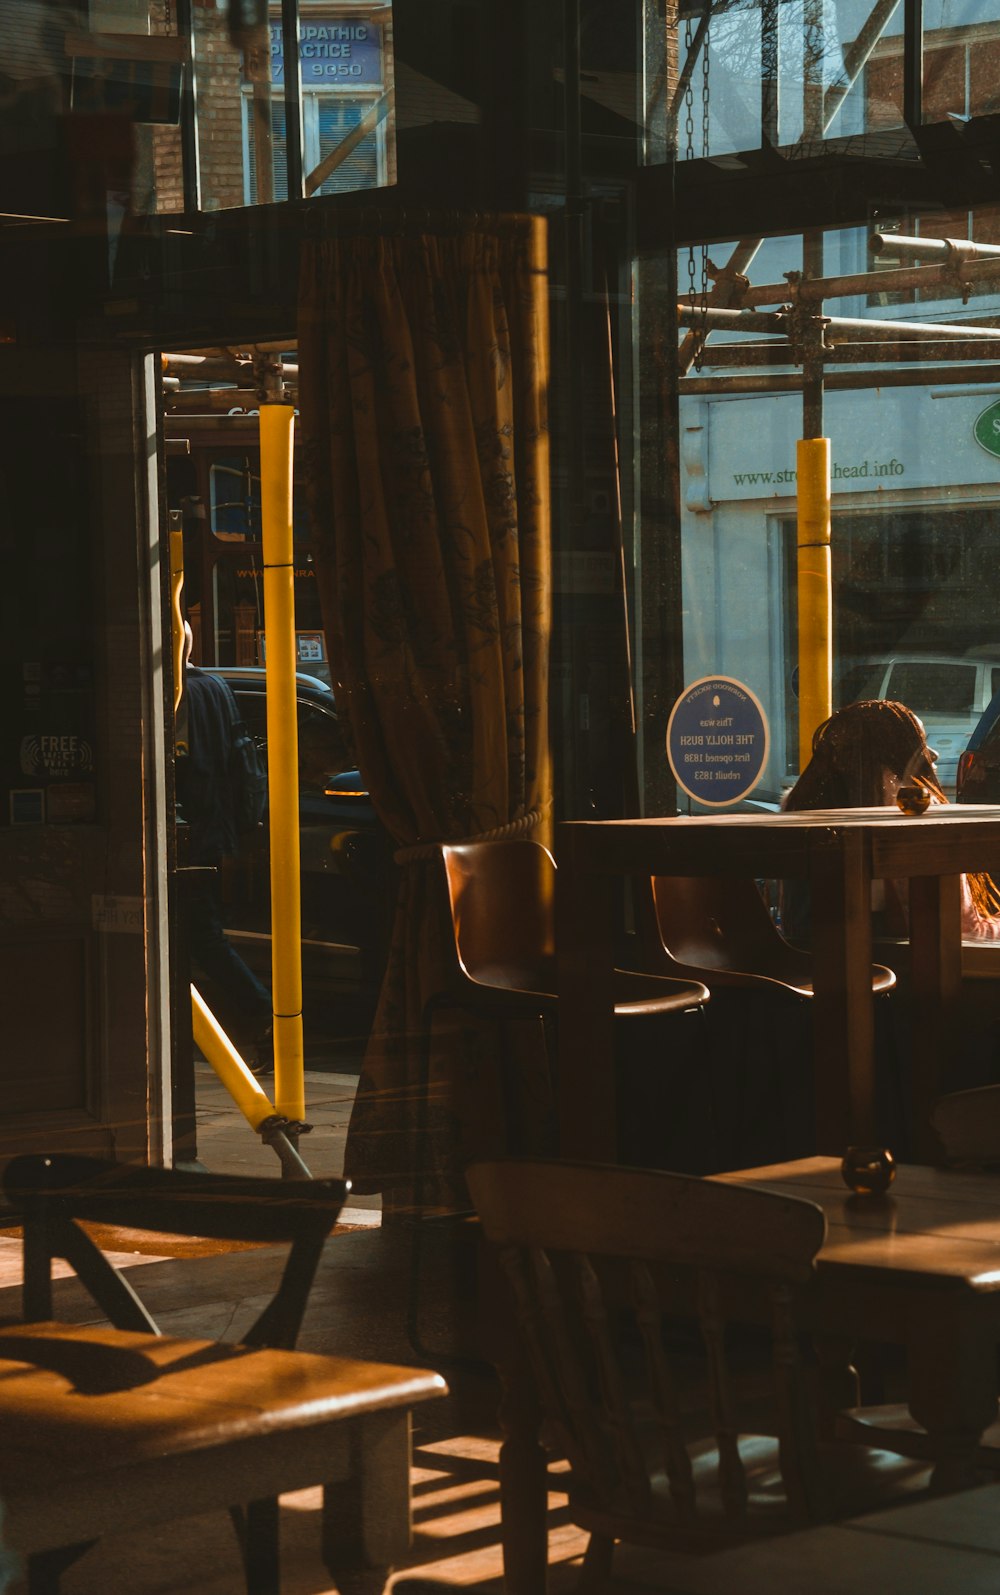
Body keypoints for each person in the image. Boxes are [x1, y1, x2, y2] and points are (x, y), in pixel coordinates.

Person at [780, 698, 1000, 944]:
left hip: (798, 953)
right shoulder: (911, 813)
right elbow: (962, 925)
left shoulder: (797, 808)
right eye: (917, 745)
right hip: (901, 961)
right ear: (897, 755)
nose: (932, 756)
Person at [175, 624, 273, 1068]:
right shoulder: (216, 688)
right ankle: (259, 1019)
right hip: (211, 832)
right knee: (203, 937)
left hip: (182, 836)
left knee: (198, 938)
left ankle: (260, 1014)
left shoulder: (170, 695)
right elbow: (241, 762)